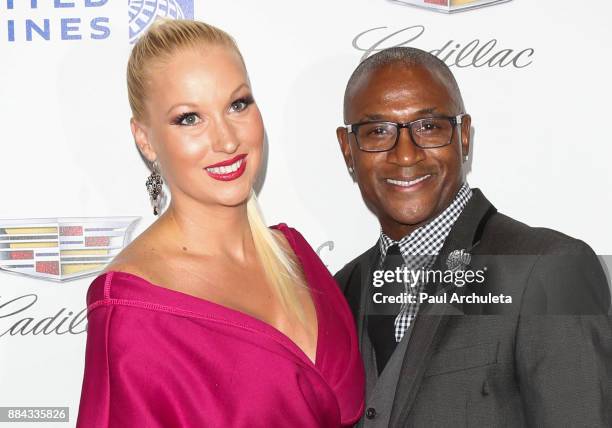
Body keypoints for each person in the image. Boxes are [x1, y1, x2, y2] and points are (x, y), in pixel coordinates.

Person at [76, 19, 364, 427]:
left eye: (237, 104)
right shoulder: (131, 311)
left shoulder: (296, 255)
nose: (227, 140)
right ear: (144, 138)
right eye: (189, 118)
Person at [334, 46, 611, 427]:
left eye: (428, 127)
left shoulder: (550, 270)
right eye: (378, 131)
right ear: (348, 150)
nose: (405, 155)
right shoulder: (341, 289)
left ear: (463, 136)